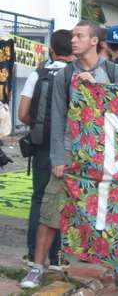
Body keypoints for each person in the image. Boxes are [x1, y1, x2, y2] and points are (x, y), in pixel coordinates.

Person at [21, 21, 118, 290]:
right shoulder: (64, 76)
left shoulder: (114, 72)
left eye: (79, 36)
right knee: (51, 210)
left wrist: (98, 87)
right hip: (71, 153)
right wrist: (58, 159)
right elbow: (58, 119)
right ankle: (37, 267)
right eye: (72, 36)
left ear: (94, 41)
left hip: (105, 155)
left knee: (114, 213)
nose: (73, 40)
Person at [17, 30, 74, 271]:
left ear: (51, 50)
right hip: (69, 147)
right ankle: (58, 256)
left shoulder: (38, 74)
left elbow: (22, 113)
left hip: (42, 146)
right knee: (63, 200)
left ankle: (33, 254)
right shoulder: (75, 75)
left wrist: (37, 126)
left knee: (39, 198)